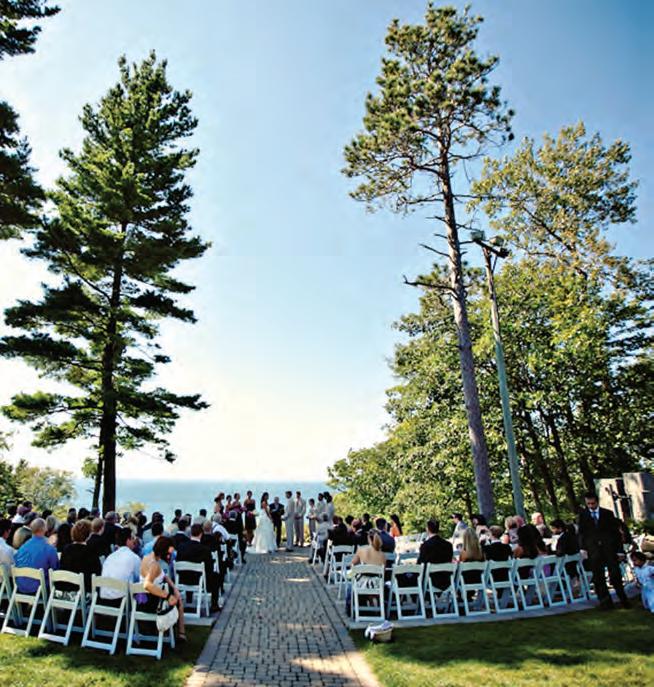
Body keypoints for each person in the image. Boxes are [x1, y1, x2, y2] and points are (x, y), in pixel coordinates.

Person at [578, 491, 630, 609]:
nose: (591, 506)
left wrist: (620, 550)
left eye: (593, 503)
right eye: (588, 504)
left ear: (597, 502)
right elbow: (581, 533)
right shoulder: (583, 515)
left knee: (615, 575)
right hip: (593, 550)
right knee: (598, 577)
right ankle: (605, 602)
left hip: (609, 549)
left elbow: (616, 534)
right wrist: (583, 548)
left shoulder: (607, 514)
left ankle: (623, 599)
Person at [140, 536, 186, 641]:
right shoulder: (154, 565)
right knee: (178, 601)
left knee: (176, 596)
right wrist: (168, 596)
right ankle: (180, 633)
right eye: (168, 554)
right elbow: (147, 584)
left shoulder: (147, 558)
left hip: (142, 599)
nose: (169, 557)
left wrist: (174, 587)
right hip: (151, 602)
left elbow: (163, 575)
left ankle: (179, 633)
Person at [177, 523, 221, 612]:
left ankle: (189, 599)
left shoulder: (181, 547)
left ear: (190, 534)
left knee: (189, 571)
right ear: (201, 534)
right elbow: (209, 568)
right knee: (216, 576)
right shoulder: (205, 550)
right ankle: (214, 604)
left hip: (182, 579)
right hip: (199, 581)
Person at [14, 518, 59, 593]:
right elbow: (55, 569)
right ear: (45, 529)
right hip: (39, 589)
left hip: (20, 587)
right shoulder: (49, 548)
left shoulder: (22, 547)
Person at [59, 519, 102, 592]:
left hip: (66, 588)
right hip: (84, 590)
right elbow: (98, 573)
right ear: (88, 535)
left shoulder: (66, 549)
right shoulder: (91, 551)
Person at [100, 527, 141, 603]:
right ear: (128, 540)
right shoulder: (134, 557)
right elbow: (138, 579)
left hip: (103, 598)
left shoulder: (110, 557)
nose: (134, 541)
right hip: (121, 600)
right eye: (132, 538)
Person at [417, 519, 454, 590]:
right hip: (446, 580)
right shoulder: (448, 545)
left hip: (431, 580)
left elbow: (421, 564)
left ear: (427, 529)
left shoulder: (425, 545)